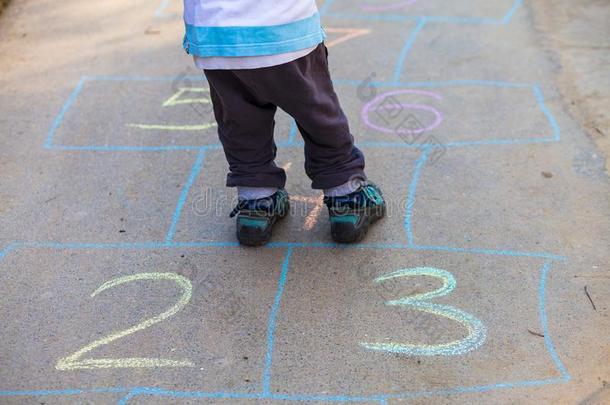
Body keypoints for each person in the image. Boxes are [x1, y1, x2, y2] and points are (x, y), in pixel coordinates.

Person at [183, 0, 385, 246]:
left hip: (216, 37)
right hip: (283, 29)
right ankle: (347, 199)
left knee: (240, 121)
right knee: (318, 114)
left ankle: (256, 204)